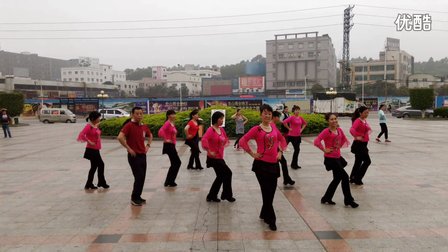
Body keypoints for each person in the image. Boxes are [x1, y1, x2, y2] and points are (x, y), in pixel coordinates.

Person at [239, 104, 287, 231]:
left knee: (270, 192)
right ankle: (271, 219)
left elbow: (282, 140)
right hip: (261, 165)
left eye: (269, 113)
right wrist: (252, 153)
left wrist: (280, 152)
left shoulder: (274, 127)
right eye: (265, 113)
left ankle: (263, 213)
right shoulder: (256, 129)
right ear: (261, 115)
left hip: (274, 164)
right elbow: (242, 141)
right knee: (266, 192)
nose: (267, 115)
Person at [314, 113, 359, 208]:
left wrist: (337, 146)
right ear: (328, 121)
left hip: (338, 158)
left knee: (337, 179)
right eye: (331, 119)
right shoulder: (326, 131)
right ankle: (348, 200)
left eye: (335, 119)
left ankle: (326, 198)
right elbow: (316, 141)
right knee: (345, 177)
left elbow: (344, 140)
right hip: (330, 159)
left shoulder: (339, 130)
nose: (334, 121)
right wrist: (324, 149)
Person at [117, 107, 153, 206]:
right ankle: (134, 198)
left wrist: (148, 145)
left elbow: (150, 135)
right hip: (134, 156)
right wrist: (128, 148)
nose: (139, 115)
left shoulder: (144, 126)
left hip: (143, 155)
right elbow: (120, 137)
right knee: (138, 177)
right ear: (132, 114)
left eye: (141, 113)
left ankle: (138, 196)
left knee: (142, 177)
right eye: (137, 113)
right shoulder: (129, 126)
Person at [201, 111, 235, 203]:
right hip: (213, 158)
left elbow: (225, 139)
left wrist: (223, 143)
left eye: (222, 118)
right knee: (228, 173)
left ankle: (211, 195)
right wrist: (209, 151)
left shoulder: (221, 130)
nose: (222, 120)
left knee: (220, 176)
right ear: (215, 119)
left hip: (220, 157)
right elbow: (204, 139)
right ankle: (227, 195)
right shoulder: (210, 130)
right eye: (220, 118)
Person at [77, 111, 109, 190]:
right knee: (101, 164)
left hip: (96, 149)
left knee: (94, 167)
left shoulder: (95, 126)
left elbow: (96, 134)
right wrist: (89, 141)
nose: (99, 119)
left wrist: (97, 127)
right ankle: (101, 182)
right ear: (93, 118)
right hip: (91, 150)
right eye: (98, 118)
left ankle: (89, 184)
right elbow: (81, 135)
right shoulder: (89, 126)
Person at [158, 110, 181, 187]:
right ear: (168, 116)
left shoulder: (172, 123)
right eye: (172, 114)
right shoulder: (167, 123)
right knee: (177, 163)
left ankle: (170, 181)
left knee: (175, 163)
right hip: (169, 145)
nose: (174, 116)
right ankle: (169, 181)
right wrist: (166, 139)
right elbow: (160, 132)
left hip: (172, 145)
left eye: (174, 114)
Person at [349, 106, 372, 185]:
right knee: (367, 161)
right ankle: (358, 178)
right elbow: (351, 129)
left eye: (367, 112)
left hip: (364, 143)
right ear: (360, 113)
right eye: (365, 113)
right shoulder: (358, 121)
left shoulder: (364, 120)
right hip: (359, 144)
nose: (367, 114)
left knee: (358, 162)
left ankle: (352, 177)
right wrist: (356, 136)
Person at [272, 111, 295, 186]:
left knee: (283, 162)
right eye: (279, 117)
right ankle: (286, 179)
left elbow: (280, 138)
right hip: (274, 149)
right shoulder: (272, 125)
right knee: (281, 163)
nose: (279, 119)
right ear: (275, 117)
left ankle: (286, 179)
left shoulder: (273, 125)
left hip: (276, 148)